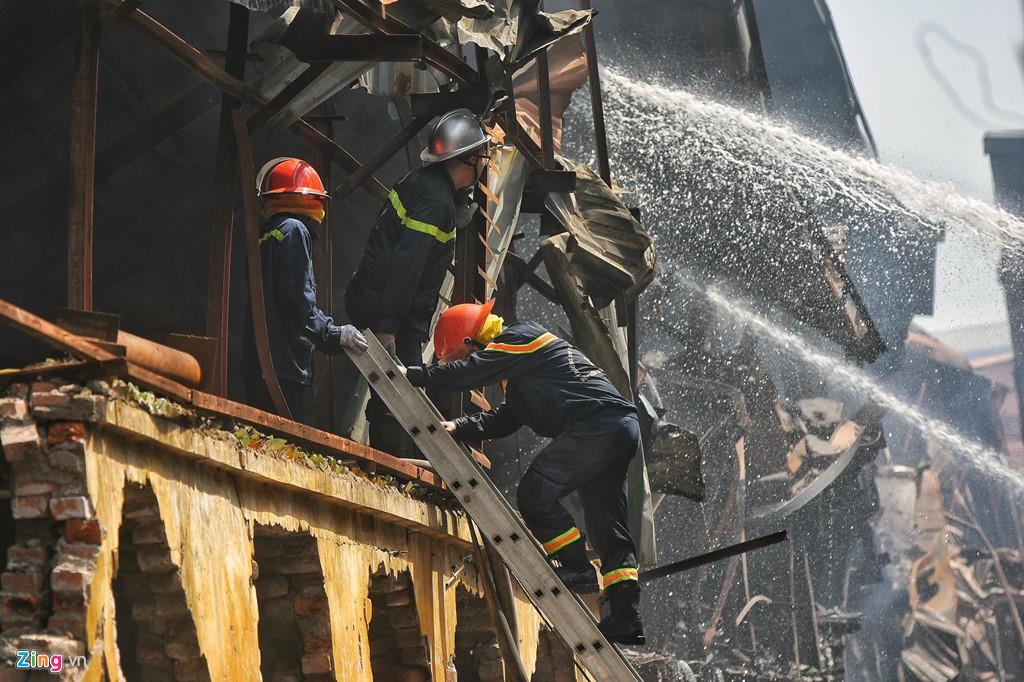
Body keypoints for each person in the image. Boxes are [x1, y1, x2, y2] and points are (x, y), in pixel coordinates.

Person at [403, 300, 645, 646]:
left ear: (474, 341)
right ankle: (625, 616)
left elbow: (469, 372)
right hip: (617, 428)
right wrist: (459, 426)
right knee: (607, 524)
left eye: (461, 354)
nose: (462, 362)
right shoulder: (521, 374)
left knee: (535, 492)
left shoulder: (519, 337)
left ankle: (576, 567)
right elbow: (505, 419)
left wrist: (414, 374)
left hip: (597, 425)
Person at [345, 109, 490, 455]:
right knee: (401, 399)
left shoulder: (424, 184)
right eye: (484, 154)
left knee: (393, 396)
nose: (486, 161)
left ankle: (391, 460)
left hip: (382, 307)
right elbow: (405, 268)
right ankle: (394, 467)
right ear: (469, 158)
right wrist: (387, 328)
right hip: (393, 316)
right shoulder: (435, 204)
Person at [242, 157, 367, 424]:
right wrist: (334, 334)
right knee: (283, 439)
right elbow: (298, 300)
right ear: (312, 198)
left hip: (262, 360)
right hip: (284, 364)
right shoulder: (294, 230)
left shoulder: (270, 231)